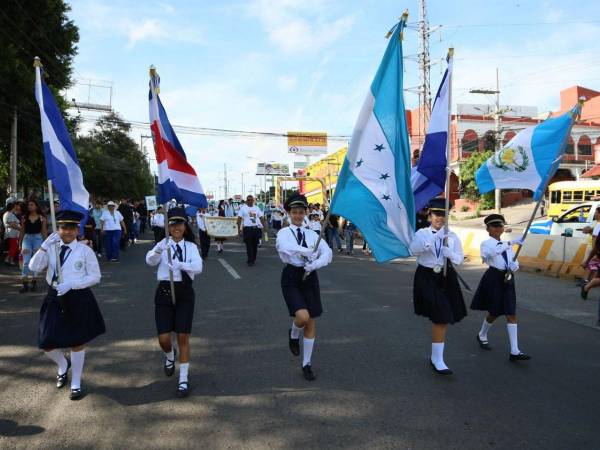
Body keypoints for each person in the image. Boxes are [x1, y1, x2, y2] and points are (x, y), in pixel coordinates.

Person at [29, 210, 105, 400]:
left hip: (77, 296)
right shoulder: (52, 248)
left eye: (72, 228)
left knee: (76, 342)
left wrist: (72, 284)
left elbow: (95, 277)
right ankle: (63, 364)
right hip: (54, 295)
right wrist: (44, 246)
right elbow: (33, 267)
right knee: (46, 341)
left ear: (77, 229)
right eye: (64, 227)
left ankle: (76, 382)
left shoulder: (85, 250)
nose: (68, 232)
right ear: (58, 229)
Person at [146, 207, 203, 398]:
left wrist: (182, 265)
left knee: (183, 337)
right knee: (163, 338)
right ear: (168, 227)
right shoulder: (163, 243)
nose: (176, 227)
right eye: (172, 224)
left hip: (184, 292)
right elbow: (150, 261)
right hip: (164, 291)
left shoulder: (191, 247)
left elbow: (199, 267)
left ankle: (183, 380)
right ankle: (170, 356)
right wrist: (158, 249)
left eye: (179, 223)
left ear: (185, 226)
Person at [276, 194, 332, 381]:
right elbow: (285, 248)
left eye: (301, 212)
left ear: (305, 213)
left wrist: (315, 264)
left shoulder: (312, 234)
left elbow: (327, 252)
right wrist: (306, 251)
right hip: (292, 276)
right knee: (302, 316)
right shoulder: (284, 232)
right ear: (289, 213)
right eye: (294, 212)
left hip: (309, 277)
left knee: (311, 321)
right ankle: (293, 333)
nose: (298, 216)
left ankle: (306, 363)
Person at [409, 198, 467, 375]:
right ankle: (438, 359)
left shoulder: (453, 236)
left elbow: (460, 259)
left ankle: (436, 357)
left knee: (442, 317)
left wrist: (450, 254)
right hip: (427, 276)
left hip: (446, 276)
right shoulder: (422, 233)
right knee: (441, 316)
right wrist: (433, 239)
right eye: (436, 214)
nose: (440, 218)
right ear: (430, 215)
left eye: (443, 215)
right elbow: (413, 250)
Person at [470, 214, 531, 361]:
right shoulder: (486, 244)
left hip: (507, 278)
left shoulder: (506, 245)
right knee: (495, 311)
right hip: (493, 278)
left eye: (500, 226)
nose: (498, 228)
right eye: (494, 226)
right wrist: (510, 244)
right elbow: (489, 254)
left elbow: (511, 261)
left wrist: (514, 266)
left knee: (511, 313)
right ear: (488, 229)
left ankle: (515, 351)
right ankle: (482, 334)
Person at [19, 199, 48, 293]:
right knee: (26, 261)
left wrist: (46, 244)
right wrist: (20, 243)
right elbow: (22, 231)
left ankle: (34, 282)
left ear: (36, 206)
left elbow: (44, 231)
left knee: (36, 261)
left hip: (38, 239)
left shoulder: (42, 218)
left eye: (32, 205)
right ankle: (25, 283)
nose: (30, 206)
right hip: (26, 239)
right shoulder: (24, 217)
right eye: (29, 205)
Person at [237, 195, 265, 266]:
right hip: (247, 229)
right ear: (246, 201)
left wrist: (263, 226)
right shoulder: (243, 208)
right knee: (248, 245)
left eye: (251, 200)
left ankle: (253, 258)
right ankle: (250, 260)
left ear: (253, 201)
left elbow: (261, 217)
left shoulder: (257, 208)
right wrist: (239, 229)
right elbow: (239, 219)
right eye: (248, 200)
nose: (250, 201)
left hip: (256, 229)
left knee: (255, 245)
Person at [3, 201, 20, 266]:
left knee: (13, 247)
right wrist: (20, 229)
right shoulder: (9, 214)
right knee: (13, 247)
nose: (15, 208)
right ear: (12, 208)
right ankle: (11, 260)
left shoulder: (8, 214)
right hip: (12, 233)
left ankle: (7, 259)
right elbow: (13, 224)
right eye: (14, 207)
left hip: (12, 233)